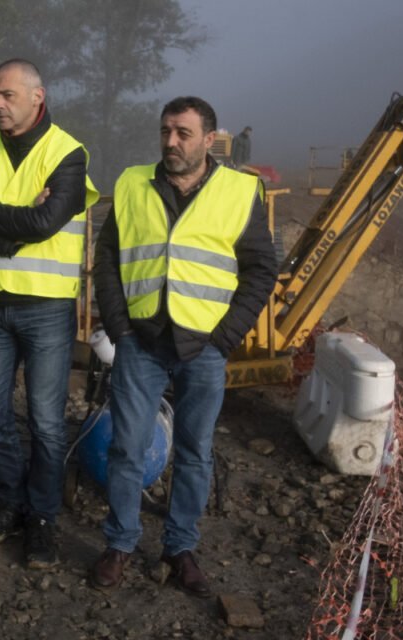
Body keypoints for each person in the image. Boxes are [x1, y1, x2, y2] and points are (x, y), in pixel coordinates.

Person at [89, 97, 276, 596]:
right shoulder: (133, 183)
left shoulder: (240, 191)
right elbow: (106, 256)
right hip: (141, 340)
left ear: (208, 140)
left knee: (196, 452)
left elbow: (261, 269)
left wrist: (227, 335)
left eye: (183, 134)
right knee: (126, 448)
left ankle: (180, 548)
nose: (171, 142)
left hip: (205, 347)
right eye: (166, 131)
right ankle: (121, 544)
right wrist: (119, 325)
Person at [0, 59, 98, 569]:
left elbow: (47, 221)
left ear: (38, 96)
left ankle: (42, 520)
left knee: (47, 424)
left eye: (8, 95)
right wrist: (16, 228)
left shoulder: (68, 153)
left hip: (46, 309)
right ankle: (11, 502)